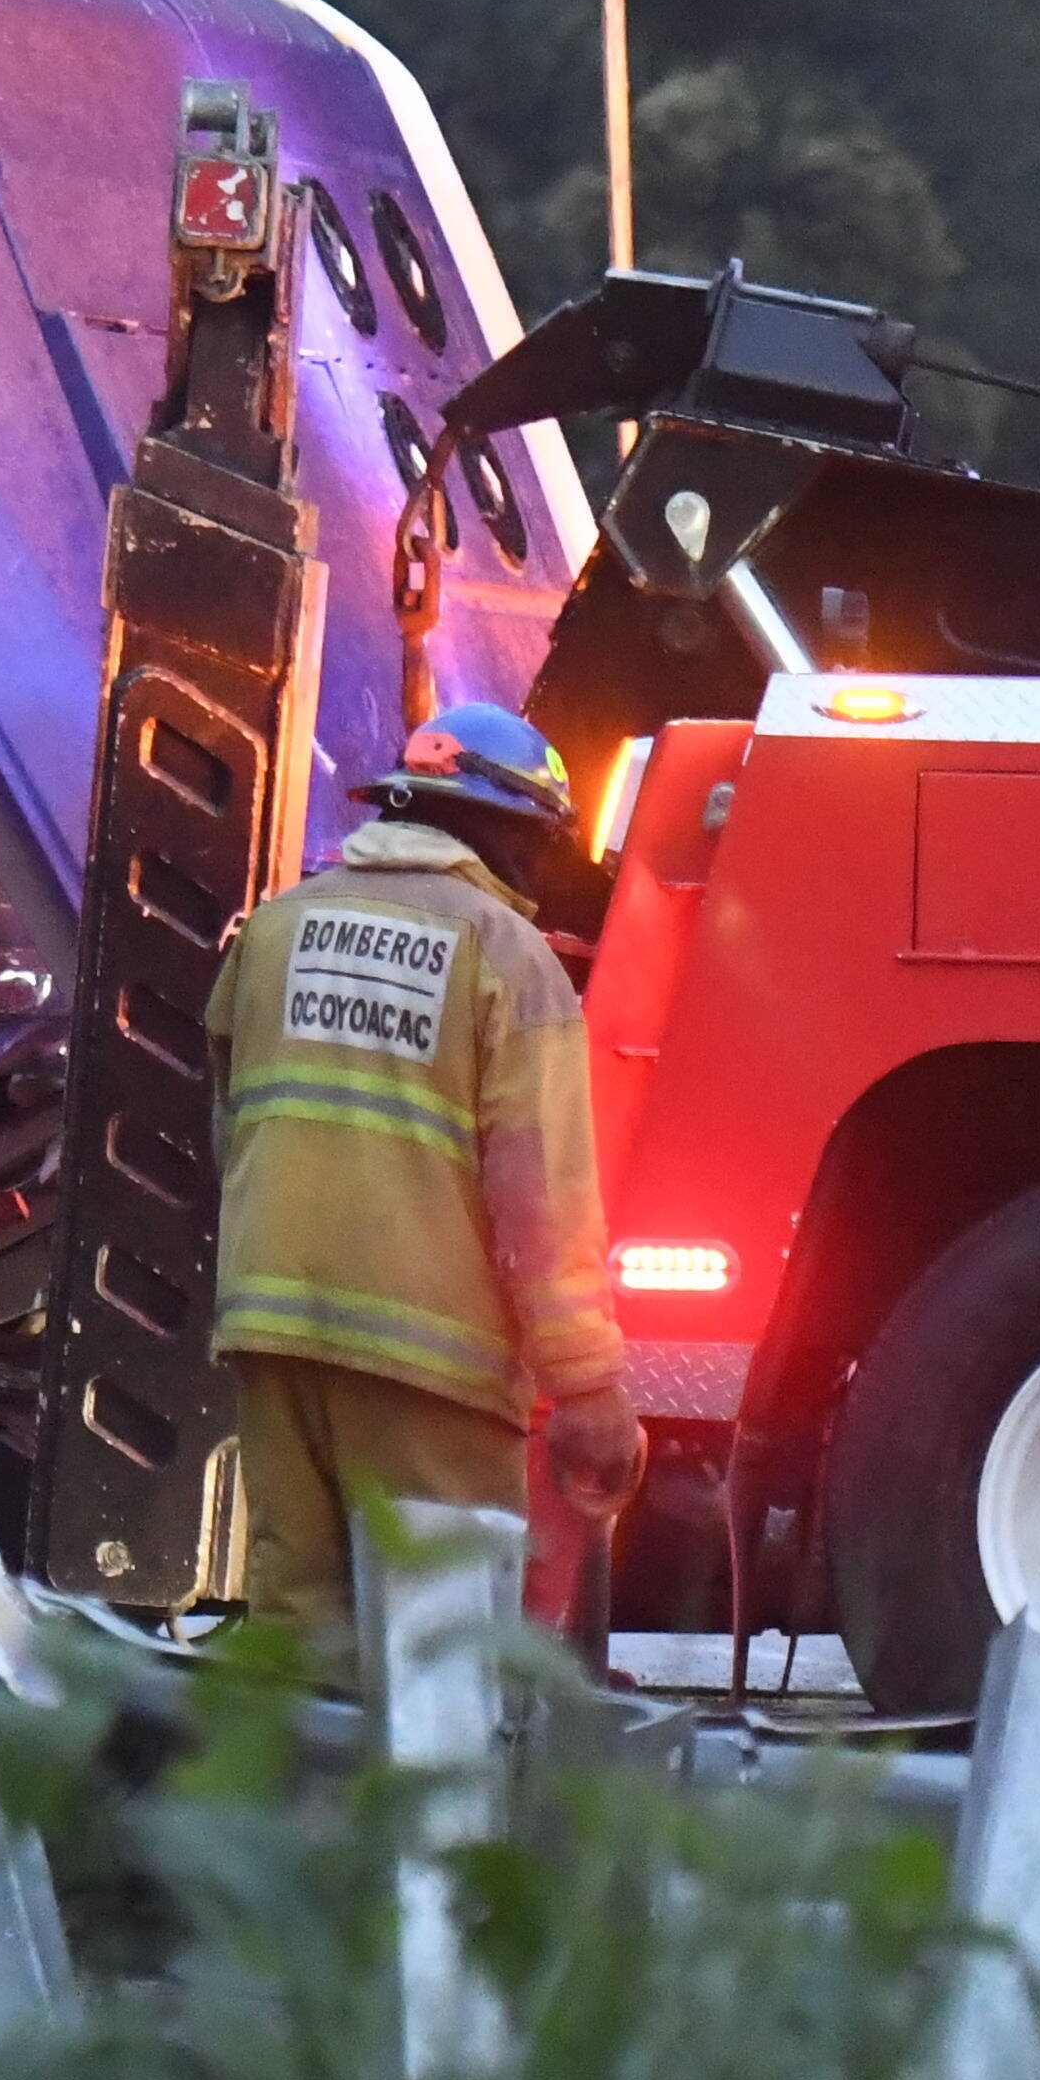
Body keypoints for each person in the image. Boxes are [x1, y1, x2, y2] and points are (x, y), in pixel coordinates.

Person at [199, 699, 642, 1636]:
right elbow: (543, 1197)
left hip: (272, 1331)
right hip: (430, 1361)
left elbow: (231, 1124)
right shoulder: (509, 960)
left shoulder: (276, 931)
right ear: (507, 833)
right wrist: (590, 1386)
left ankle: (294, 1789)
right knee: (438, 1646)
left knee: (296, 1629)